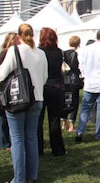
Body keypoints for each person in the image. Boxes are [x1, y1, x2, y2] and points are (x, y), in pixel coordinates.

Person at [0, 24, 48, 183]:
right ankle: (32, 175)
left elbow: (1, 73)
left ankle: (18, 178)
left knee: (17, 138)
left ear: (19, 36)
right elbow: (44, 77)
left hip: (18, 99)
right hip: (37, 97)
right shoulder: (40, 53)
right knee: (31, 137)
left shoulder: (15, 50)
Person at [37, 27, 67, 156]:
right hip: (56, 87)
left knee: (38, 120)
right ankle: (58, 149)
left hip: (42, 86)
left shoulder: (39, 52)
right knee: (54, 119)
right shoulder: (59, 52)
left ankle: (38, 149)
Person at [0, 32, 19, 151]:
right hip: (4, 86)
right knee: (4, 116)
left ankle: (8, 140)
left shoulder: (15, 52)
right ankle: (4, 142)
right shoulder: (5, 52)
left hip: (12, 86)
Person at [61, 36, 82, 133]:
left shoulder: (63, 53)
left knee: (65, 101)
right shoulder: (75, 54)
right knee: (74, 102)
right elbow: (76, 67)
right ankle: (71, 125)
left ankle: (63, 122)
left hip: (64, 80)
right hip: (73, 80)